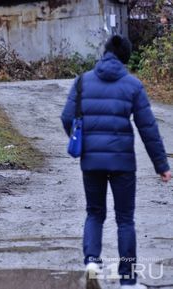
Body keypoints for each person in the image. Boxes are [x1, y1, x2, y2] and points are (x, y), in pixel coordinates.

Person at [61, 35, 171, 289]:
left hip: (91, 161)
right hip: (123, 163)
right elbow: (148, 128)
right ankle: (128, 281)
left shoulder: (82, 82)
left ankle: (91, 263)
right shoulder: (132, 85)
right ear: (126, 58)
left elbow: (67, 117)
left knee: (94, 213)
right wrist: (161, 166)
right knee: (125, 220)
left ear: (105, 52)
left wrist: (84, 141)